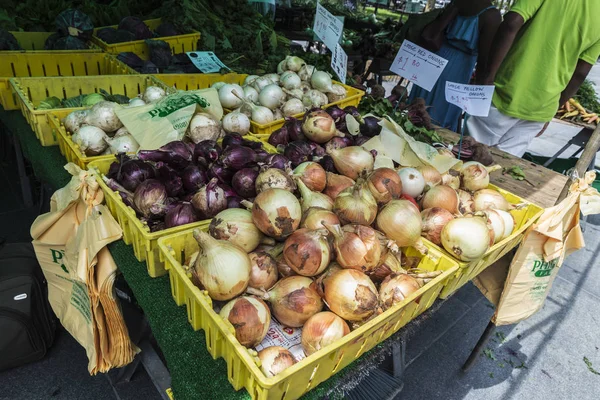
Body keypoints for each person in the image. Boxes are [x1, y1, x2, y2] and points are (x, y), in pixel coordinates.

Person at [466, 0, 600, 157]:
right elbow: (581, 72)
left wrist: (488, 78)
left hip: (503, 91)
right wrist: (552, 109)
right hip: (542, 106)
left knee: (466, 159)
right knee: (502, 168)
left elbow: (512, 22)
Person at [407, 0, 501, 132]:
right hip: (456, 70)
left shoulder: (459, 2)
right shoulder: (492, 16)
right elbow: (483, 60)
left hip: (432, 61)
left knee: (414, 112)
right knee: (435, 122)